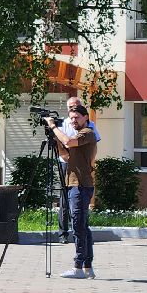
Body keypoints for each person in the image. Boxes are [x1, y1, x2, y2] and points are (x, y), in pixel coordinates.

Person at [45, 101, 98, 279]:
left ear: (85, 117)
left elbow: (68, 140)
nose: (73, 121)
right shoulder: (78, 135)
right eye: (71, 118)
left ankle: (78, 266)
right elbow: (65, 155)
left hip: (81, 185)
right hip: (73, 183)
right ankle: (88, 267)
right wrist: (55, 140)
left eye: (76, 117)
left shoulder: (88, 133)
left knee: (78, 226)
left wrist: (53, 126)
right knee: (83, 226)